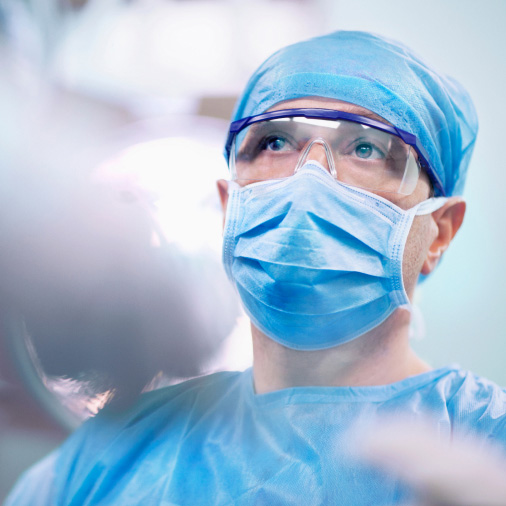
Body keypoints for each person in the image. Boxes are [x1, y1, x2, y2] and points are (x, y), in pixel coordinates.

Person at [6, 31, 506, 506]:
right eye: (275, 142)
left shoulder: (486, 448)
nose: (309, 181)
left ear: (439, 231)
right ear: (230, 207)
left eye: (365, 148)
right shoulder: (104, 458)